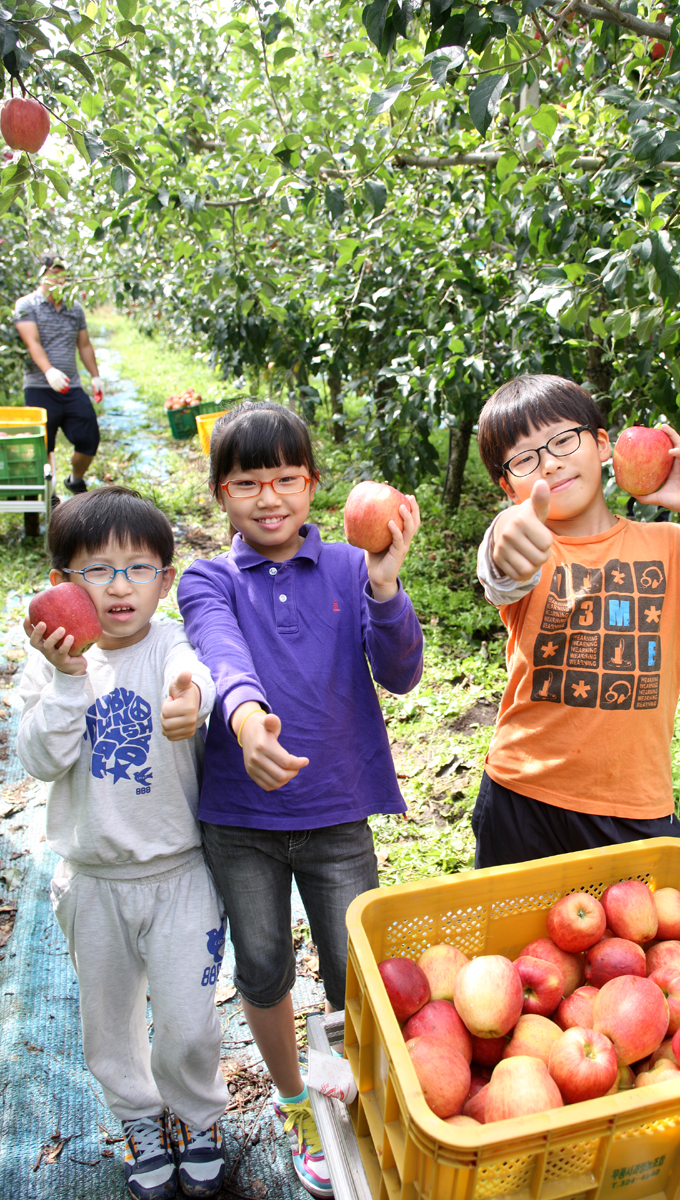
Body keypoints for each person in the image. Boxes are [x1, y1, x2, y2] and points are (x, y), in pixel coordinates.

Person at [177, 400, 424, 1199]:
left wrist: (384, 586)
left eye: (286, 478)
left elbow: (401, 674)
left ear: (313, 484)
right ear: (220, 493)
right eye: (247, 482)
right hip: (241, 820)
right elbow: (221, 653)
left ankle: (358, 1094)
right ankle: (296, 1105)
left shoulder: (352, 567)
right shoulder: (208, 578)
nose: (269, 497)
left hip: (338, 812)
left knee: (356, 975)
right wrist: (247, 720)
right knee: (262, 966)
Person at [473, 373, 680, 868]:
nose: (550, 462)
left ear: (602, 444)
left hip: (635, 805)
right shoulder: (530, 550)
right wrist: (502, 537)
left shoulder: (671, 547)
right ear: (508, 486)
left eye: (563, 440)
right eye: (525, 459)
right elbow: (501, 572)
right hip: (522, 794)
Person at [17, 487, 229, 1200]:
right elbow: (39, 759)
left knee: (188, 1024)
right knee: (108, 1026)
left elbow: (193, 675)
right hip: (93, 879)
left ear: (164, 581)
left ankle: (198, 1116)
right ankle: (139, 1117)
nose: (117, 586)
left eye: (138, 568)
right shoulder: (51, 667)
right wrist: (68, 678)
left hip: (181, 874)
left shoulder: (171, 643)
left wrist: (191, 697)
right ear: (60, 582)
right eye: (97, 570)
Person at [14, 254, 103, 497]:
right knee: (43, 445)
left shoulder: (74, 308)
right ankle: (48, 492)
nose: (58, 278)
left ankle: (75, 480)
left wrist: (95, 376)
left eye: (62, 274)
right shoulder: (27, 305)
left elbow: (84, 345)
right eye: (53, 273)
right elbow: (32, 342)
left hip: (71, 386)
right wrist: (49, 371)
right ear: (41, 275)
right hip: (39, 386)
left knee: (89, 436)